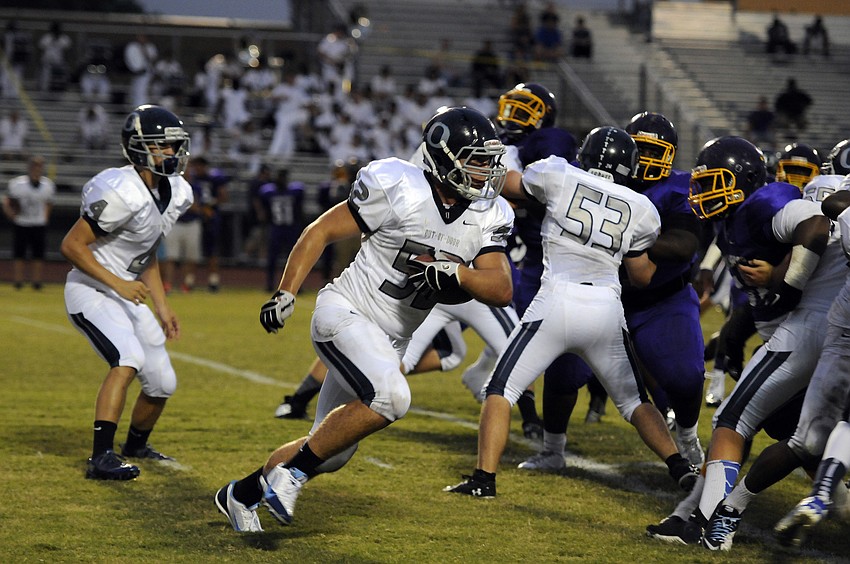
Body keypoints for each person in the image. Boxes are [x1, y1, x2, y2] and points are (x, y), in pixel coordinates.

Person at [215, 106, 515, 532]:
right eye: (477, 160)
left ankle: (240, 494)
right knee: (393, 398)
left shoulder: (489, 212)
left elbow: (501, 288)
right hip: (346, 313)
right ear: (443, 156)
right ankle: (292, 475)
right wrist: (286, 292)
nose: (487, 172)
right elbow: (320, 230)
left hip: (390, 341)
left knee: (330, 452)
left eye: (490, 161)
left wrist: (458, 272)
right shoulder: (398, 185)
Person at [445, 126, 700, 498]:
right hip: (606, 309)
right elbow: (642, 276)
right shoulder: (641, 207)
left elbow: (509, 184)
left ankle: (484, 479)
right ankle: (681, 468)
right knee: (634, 401)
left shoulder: (558, 174)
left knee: (500, 389)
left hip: (557, 301)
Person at [647, 136, 846, 547]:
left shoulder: (764, 202)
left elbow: (816, 226)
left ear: (741, 179)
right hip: (797, 331)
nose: (702, 192)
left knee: (732, 423)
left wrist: (786, 284)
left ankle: (706, 526)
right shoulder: (731, 220)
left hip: (806, 327)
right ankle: (692, 514)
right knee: (794, 437)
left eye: (712, 182)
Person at [696, 170, 850, 552]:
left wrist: (784, 283)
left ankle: (713, 522)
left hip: (818, 329)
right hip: (832, 328)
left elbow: (825, 216)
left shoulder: (807, 202)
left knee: (734, 421)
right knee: (812, 441)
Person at [59, 104, 193, 480]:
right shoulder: (120, 189)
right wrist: (116, 282)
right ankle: (100, 457)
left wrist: (163, 306)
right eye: (163, 146)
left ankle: (135, 445)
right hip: (92, 290)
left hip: (127, 293)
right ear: (139, 148)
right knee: (128, 358)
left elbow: (145, 252)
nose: (173, 153)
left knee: (163, 383)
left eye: (175, 146)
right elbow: (72, 245)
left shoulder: (177, 191)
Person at [3, 156, 56, 289]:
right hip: (22, 222)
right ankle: (18, 281)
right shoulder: (17, 184)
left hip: (38, 223)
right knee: (19, 253)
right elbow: (8, 201)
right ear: (29, 168)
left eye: (39, 167)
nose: (36, 169)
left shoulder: (48, 185)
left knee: (38, 254)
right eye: (34, 166)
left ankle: (36, 281)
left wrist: (45, 217)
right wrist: (11, 214)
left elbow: (49, 203)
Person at [259, 169, 305, 292]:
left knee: (295, 258)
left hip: (291, 228)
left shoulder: (295, 190)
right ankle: (270, 284)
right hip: (276, 228)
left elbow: (299, 208)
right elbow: (263, 208)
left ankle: (297, 285)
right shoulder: (269, 192)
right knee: (272, 259)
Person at [124, 34, 158, 108]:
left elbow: (152, 59)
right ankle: (136, 108)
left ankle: (143, 108)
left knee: (143, 92)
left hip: (146, 74)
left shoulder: (150, 47)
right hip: (136, 74)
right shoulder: (133, 46)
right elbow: (130, 61)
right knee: (135, 92)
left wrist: (144, 50)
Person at [38, 22, 71, 92]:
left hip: (59, 64)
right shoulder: (46, 38)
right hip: (47, 63)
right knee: (45, 80)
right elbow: (41, 50)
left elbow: (67, 52)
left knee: (59, 81)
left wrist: (66, 63)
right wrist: (40, 62)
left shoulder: (64, 39)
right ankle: (44, 93)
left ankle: (58, 95)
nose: (56, 31)